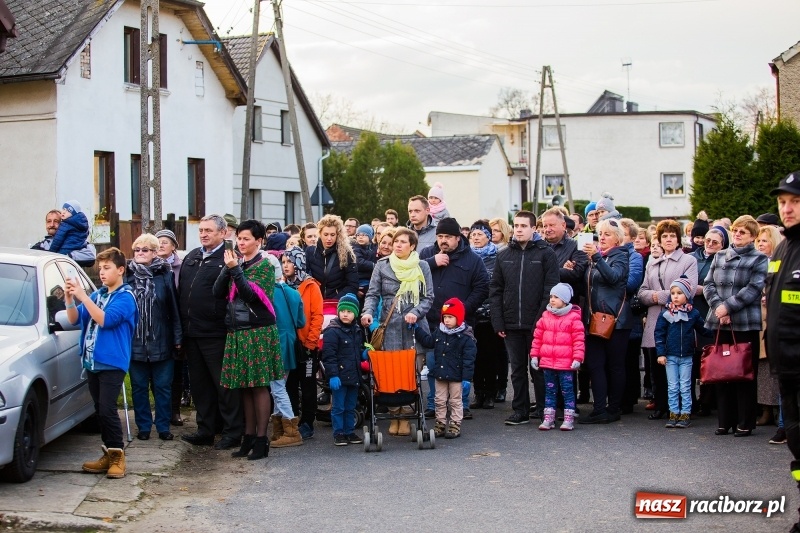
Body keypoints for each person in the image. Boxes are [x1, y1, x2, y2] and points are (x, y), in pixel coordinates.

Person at [212, 219, 283, 460]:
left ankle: (262, 440)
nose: (241, 243)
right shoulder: (238, 263)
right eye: (239, 239)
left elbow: (251, 295)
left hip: (258, 332)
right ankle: (248, 437)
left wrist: (235, 269)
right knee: (244, 387)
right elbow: (216, 291)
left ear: (258, 241)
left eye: (246, 239)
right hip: (238, 331)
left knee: (259, 386)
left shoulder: (265, 265)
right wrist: (228, 267)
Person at [66, 247, 137, 479]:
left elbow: (105, 320)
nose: (102, 272)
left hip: (112, 362)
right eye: (100, 268)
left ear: (121, 270)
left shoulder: (126, 297)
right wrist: (69, 298)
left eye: (107, 268)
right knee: (100, 410)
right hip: (92, 362)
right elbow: (75, 318)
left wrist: (84, 296)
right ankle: (108, 453)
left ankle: (118, 457)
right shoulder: (99, 295)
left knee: (107, 409)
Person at [179, 214, 243, 450]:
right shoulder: (192, 257)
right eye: (201, 230)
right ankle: (205, 429)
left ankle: (232, 432)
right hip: (192, 332)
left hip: (217, 332)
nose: (204, 234)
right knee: (200, 386)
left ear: (223, 233)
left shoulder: (228, 258)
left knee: (224, 385)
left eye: (209, 230)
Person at [362, 227, 434, 436]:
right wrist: (367, 313)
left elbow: (428, 297)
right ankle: (396, 415)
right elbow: (372, 294)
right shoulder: (382, 265)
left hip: (414, 328)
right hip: (389, 326)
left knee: (411, 372)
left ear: (412, 246)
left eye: (403, 242)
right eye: (396, 241)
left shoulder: (422, 267)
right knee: (389, 373)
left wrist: (417, 313)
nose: (398, 245)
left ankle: (409, 413)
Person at [490, 210, 559, 425]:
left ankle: (542, 409)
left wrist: (541, 319)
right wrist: (498, 321)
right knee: (517, 370)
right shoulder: (503, 255)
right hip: (511, 323)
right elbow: (496, 290)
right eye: (516, 226)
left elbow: (551, 289)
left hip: (537, 323)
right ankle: (520, 410)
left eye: (523, 226)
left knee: (538, 368)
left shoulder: (545, 254)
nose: (519, 229)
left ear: (533, 229)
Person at [704, 215, 768, 437]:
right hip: (719, 321)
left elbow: (753, 288)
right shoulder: (720, 255)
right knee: (722, 373)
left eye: (743, 231)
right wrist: (719, 308)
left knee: (744, 374)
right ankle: (725, 421)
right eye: (736, 230)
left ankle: (745, 422)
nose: (738, 234)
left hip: (745, 322)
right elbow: (708, 284)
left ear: (752, 236)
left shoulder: (759, 258)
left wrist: (728, 307)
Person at [419, 217, 489, 420]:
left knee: (459, 364)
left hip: (462, 324)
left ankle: (461, 405)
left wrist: (464, 309)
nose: (443, 240)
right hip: (433, 320)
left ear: (458, 238)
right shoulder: (427, 254)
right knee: (434, 364)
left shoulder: (472, 259)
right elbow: (414, 275)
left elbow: (482, 287)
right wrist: (432, 263)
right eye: (440, 236)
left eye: (448, 237)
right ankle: (434, 403)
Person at [765, 172, 800, 532]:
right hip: (786, 370)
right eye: (782, 202)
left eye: (795, 201)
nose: (787, 209)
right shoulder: (782, 248)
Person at [637, 219, 698, 421]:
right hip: (656, 318)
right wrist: (654, 297)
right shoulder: (652, 262)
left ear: (679, 239)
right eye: (665, 236)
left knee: (679, 365)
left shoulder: (688, 261)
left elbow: (688, 289)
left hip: (678, 321)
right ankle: (662, 404)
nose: (669, 239)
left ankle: (684, 408)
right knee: (656, 364)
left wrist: (659, 297)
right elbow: (642, 292)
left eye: (672, 236)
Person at [126, 234, 182, 442]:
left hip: (162, 340)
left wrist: (178, 337)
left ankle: (163, 426)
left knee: (162, 386)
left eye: (145, 250)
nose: (140, 253)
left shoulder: (164, 275)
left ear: (154, 252)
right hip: (135, 341)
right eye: (137, 250)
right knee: (139, 387)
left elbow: (173, 308)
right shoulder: (127, 277)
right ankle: (143, 426)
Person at [578, 219, 633, 424]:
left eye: (607, 234)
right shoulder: (596, 257)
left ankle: (614, 408)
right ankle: (599, 408)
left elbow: (614, 277)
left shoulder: (620, 256)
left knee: (615, 366)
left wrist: (596, 258)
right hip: (594, 320)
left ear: (618, 238)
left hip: (616, 321)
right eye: (600, 233)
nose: (602, 237)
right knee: (595, 365)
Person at [415, 298, 477, 439]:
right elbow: (428, 342)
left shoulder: (466, 338)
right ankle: (440, 423)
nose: (447, 320)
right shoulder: (439, 332)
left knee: (455, 401)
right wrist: (417, 330)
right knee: (439, 400)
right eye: (445, 317)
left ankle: (455, 423)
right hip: (441, 374)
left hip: (457, 376)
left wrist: (467, 379)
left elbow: (469, 360)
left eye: (450, 317)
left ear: (459, 318)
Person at [530, 283, 584, 431]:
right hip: (548, 363)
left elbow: (578, 341)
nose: (552, 300)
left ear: (565, 300)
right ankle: (549, 418)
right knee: (550, 391)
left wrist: (577, 358)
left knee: (567, 391)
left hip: (566, 364)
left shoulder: (573, 319)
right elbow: (537, 338)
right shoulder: (545, 316)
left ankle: (568, 418)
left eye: (556, 297)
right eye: (551, 297)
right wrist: (534, 355)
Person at [654, 276, 706, 428]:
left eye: (680, 293)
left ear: (687, 295)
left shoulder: (693, 314)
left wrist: (716, 331)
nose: (675, 296)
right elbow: (659, 334)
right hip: (670, 356)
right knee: (673, 386)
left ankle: (685, 413)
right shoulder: (665, 314)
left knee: (685, 385)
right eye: (673, 293)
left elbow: (703, 329)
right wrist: (661, 353)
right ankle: (673, 413)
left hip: (687, 356)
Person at [283, 247, 323, 440]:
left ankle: (308, 421)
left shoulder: (311, 286)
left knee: (307, 386)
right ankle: (292, 420)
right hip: (288, 346)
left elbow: (317, 316)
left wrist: (311, 343)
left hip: (307, 346)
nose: (285, 265)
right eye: (283, 262)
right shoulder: (282, 286)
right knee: (289, 385)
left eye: (289, 262)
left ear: (298, 263)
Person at [689, 225, 728, 416]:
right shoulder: (693, 257)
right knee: (693, 357)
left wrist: (702, 289)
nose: (710, 244)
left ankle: (707, 400)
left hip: (710, 312)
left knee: (709, 357)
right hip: (691, 311)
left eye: (715, 242)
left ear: (722, 245)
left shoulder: (722, 259)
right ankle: (692, 400)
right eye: (708, 240)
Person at [322, 293, 367, 446]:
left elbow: (356, 351)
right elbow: (329, 356)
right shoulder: (332, 331)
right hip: (340, 376)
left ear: (355, 313)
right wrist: (333, 375)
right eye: (342, 311)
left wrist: (363, 354)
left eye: (349, 311)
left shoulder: (356, 330)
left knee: (350, 406)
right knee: (338, 407)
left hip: (353, 376)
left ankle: (349, 431)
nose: (345, 314)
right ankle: (339, 432)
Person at [467, 221, 503, 411]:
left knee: (490, 355)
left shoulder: (498, 257)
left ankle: (490, 392)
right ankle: (478, 392)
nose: (475, 237)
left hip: (490, 314)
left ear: (488, 236)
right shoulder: (468, 258)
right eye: (473, 234)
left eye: (479, 234)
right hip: (472, 313)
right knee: (474, 355)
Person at [269, 264, 306, 449]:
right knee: (279, 385)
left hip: (275, 341)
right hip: (290, 340)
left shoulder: (268, 293)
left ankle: (291, 431)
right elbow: (301, 321)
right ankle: (280, 430)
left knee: (277, 387)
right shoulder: (293, 292)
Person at [156, 229, 187, 426]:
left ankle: (174, 409)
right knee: (157, 370)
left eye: (165, 242)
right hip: (157, 325)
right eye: (158, 241)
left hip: (177, 322)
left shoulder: (181, 267)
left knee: (176, 369)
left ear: (174, 246)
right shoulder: (149, 266)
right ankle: (161, 410)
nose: (161, 245)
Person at [756, 225, 783, 428]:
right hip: (758, 318)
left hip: (775, 319)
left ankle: (777, 412)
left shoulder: (779, 262)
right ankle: (766, 409)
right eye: (758, 240)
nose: (760, 244)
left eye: (764, 240)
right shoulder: (758, 261)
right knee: (762, 368)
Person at [306, 215, 359, 300]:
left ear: (338, 235)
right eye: (326, 234)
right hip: (315, 302)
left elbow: (352, 285)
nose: (329, 238)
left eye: (332, 235)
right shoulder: (310, 252)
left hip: (337, 304)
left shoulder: (346, 253)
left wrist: (335, 301)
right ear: (320, 233)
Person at [488, 217, 512, 403]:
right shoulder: (485, 252)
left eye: (496, 230)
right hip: (489, 303)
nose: (492, 234)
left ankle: (502, 386)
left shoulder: (507, 251)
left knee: (501, 350)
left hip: (504, 304)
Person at [353, 224, 376, 298]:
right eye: (358, 235)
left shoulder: (374, 248)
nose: (360, 237)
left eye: (364, 235)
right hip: (360, 278)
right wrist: (373, 265)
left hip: (370, 278)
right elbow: (359, 262)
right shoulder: (355, 248)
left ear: (370, 237)